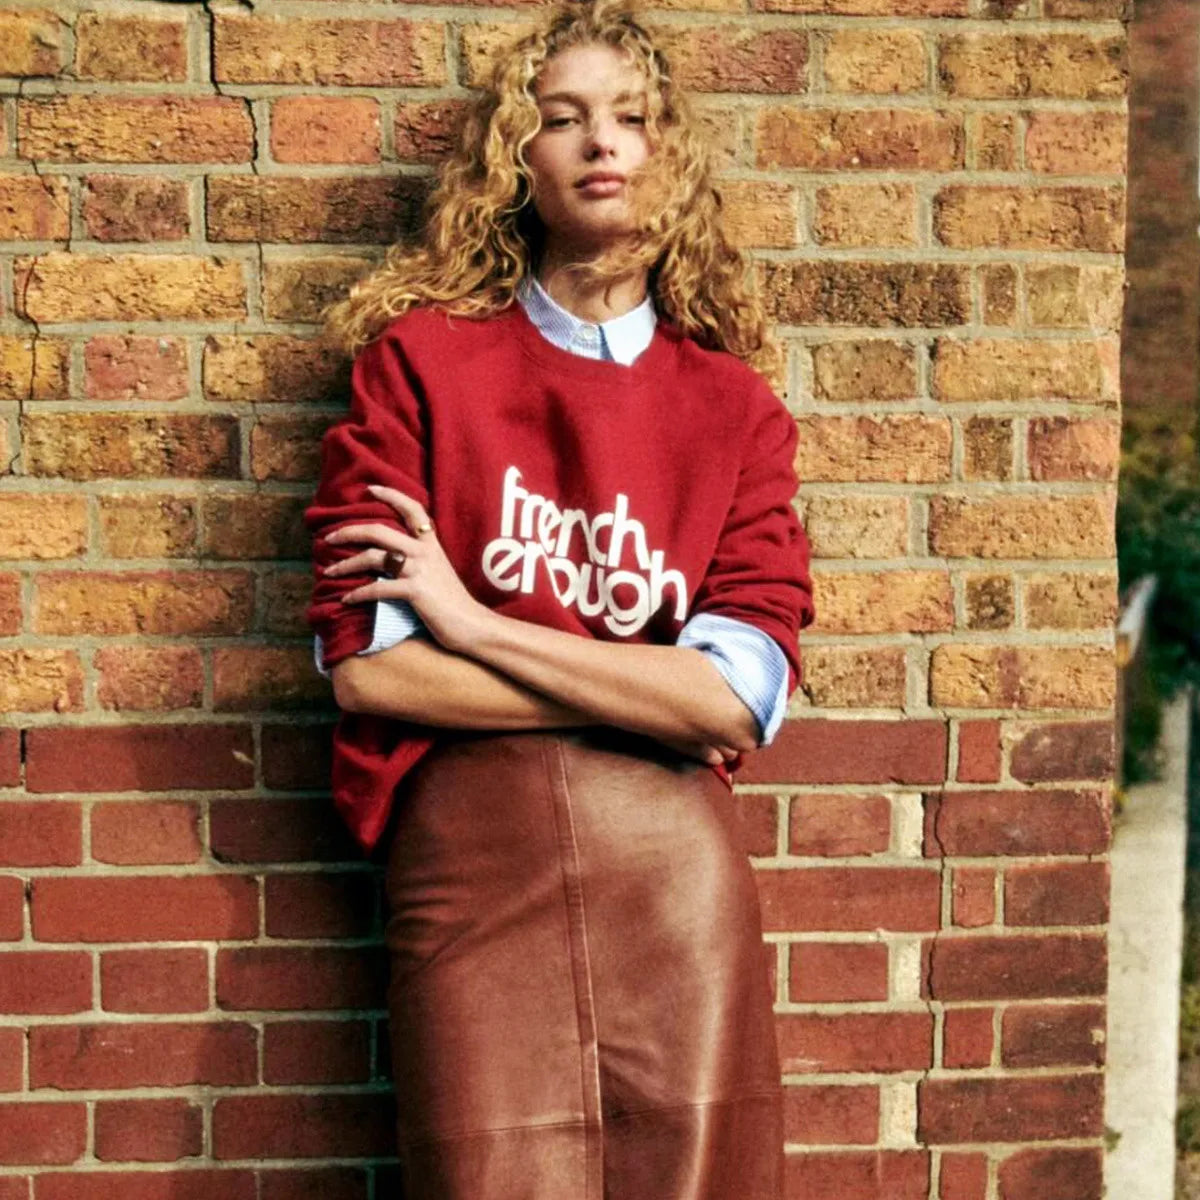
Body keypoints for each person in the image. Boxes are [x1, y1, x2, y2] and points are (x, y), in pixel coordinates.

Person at [302, 0, 815, 1194]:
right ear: (515, 161)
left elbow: (736, 702)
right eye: (564, 117)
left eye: (631, 119)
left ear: (667, 155)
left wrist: (476, 626)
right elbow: (372, 668)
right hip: (474, 863)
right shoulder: (419, 365)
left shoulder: (735, 409)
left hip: (671, 876)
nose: (601, 143)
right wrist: (641, 690)